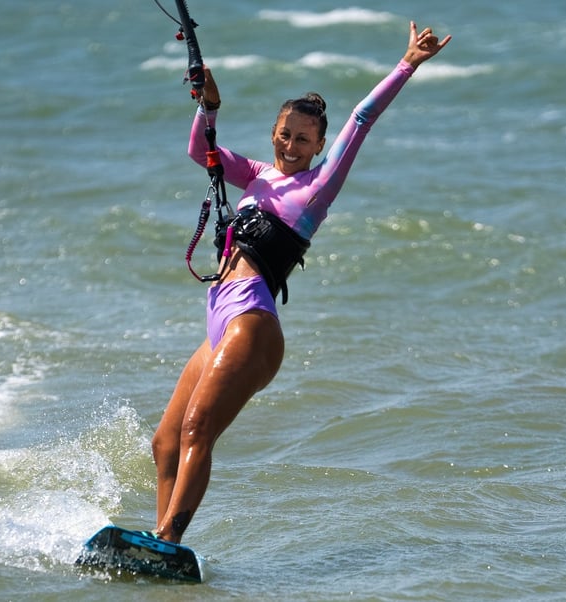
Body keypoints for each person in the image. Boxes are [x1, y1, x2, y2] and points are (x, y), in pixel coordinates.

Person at [150, 21, 451, 543]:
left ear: (319, 146)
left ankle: (169, 543)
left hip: (251, 321)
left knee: (199, 429)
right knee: (165, 442)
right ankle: (157, 539)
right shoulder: (256, 175)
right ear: (274, 133)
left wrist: (407, 63)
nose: (292, 145)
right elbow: (202, 153)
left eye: (304, 139)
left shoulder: (316, 190)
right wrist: (209, 105)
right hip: (219, 319)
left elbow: (362, 118)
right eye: (286, 135)